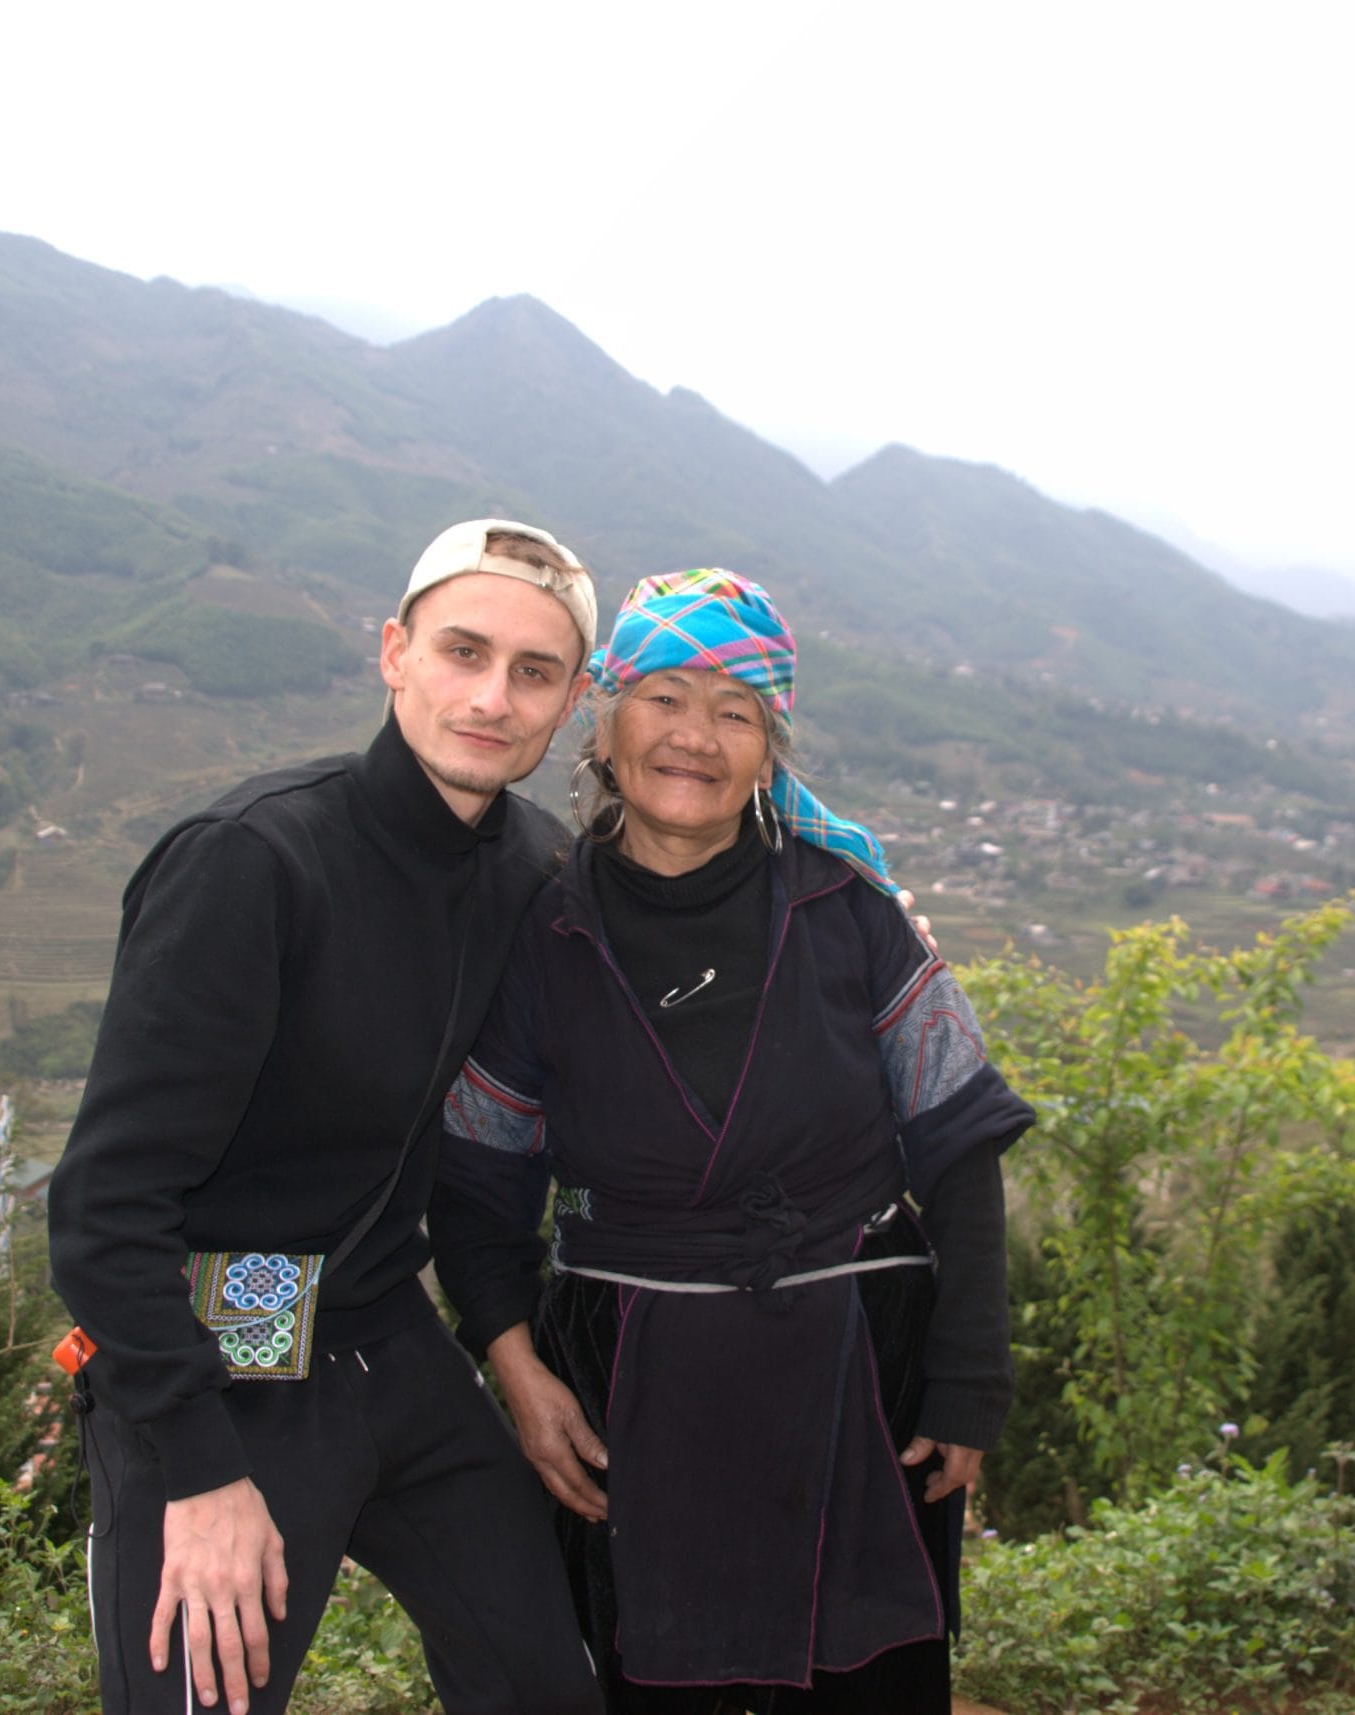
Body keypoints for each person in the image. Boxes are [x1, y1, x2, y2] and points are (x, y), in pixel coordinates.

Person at [430, 569, 1034, 1714]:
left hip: (860, 1363)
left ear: (771, 749)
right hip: (625, 1384)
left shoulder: (851, 912)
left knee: (868, 1677)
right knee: (651, 1680)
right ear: (603, 722)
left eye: (737, 711)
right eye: (664, 697)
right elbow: (477, 1180)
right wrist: (517, 1370)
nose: (694, 738)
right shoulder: (543, 933)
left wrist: (967, 1382)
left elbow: (958, 1148)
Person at [47, 520, 606, 1715]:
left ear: (569, 704)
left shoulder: (530, 870)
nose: (491, 697)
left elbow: (494, 1137)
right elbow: (103, 1205)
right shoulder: (254, 862)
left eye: (534, 671)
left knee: (545, 1680)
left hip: (381, 1326)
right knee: (209, 1690)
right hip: (216, 1324)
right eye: (463, 650)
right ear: (394, 651)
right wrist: (198, 1473)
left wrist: (854, 922)